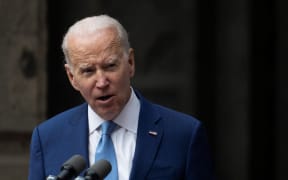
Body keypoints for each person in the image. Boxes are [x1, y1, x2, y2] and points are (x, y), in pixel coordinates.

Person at [28, 14, 214, 180]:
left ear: (130, 63)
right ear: (72, 77)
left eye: (110, 66)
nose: (101, 82)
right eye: (88, 71)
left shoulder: (184, 134)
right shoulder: (47, 138)